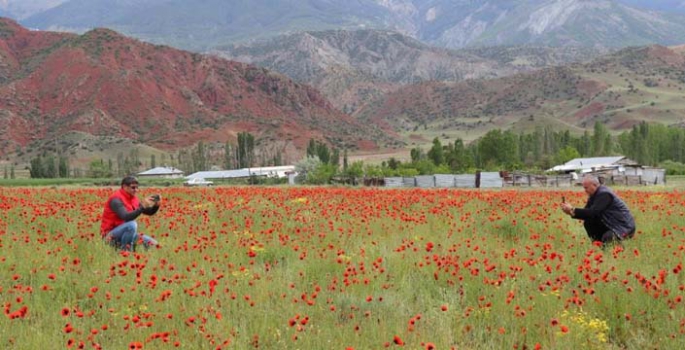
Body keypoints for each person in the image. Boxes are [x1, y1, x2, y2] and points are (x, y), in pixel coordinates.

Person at [561, 174, 636, 247]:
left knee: (608, 237)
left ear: (594, 185)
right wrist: (570, 212)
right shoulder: (594, 195)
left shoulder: (604, 194)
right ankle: (599, 247)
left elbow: (593, 212)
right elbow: (586, 213)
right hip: (612, 224)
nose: (585, 191)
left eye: (586, 188)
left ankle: (618, 253)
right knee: (589, 222)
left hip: (623, 226)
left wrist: (572, 209)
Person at [100, 176, 162, 251]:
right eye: (133, 188)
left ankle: (129, 249)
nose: (136, 190)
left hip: (125, 232)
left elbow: (149, 212)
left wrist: (156, 205)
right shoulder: (116, 199)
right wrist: (142, 206)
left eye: (137, 187)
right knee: (132, 224)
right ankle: (126, 251)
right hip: (110, 235)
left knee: (154, 244)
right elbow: (126, 217)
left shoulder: (133, 198)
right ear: (124, 187)